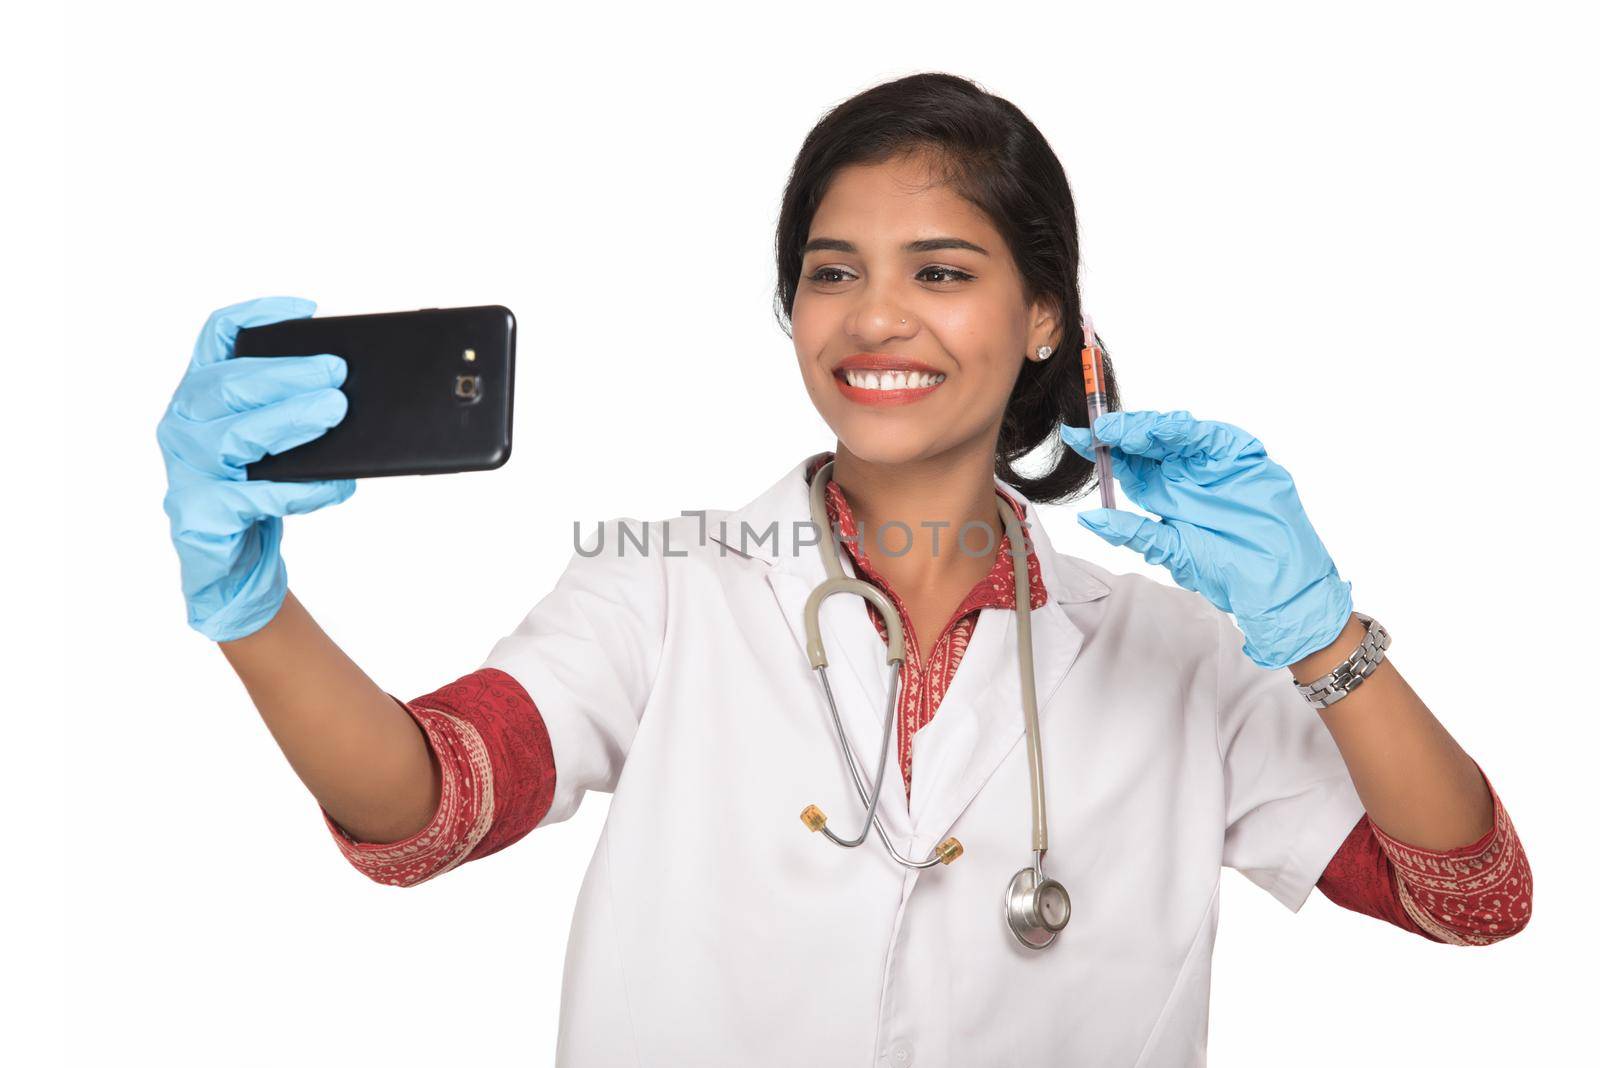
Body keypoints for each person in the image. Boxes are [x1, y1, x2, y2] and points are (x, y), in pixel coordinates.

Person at [156, 72, 1531, 1067]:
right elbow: (428, 810)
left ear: (1044, 314)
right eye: (832, 272)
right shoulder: (669, 587)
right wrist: (252, 609)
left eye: (941, 272)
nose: (875, 317)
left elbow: (1469, 897)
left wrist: (1318, 635)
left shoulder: (1175, 658)